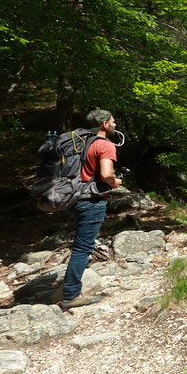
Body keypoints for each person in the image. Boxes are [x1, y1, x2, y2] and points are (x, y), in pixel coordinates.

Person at [60, 109, 123, 309]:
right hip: (91, 201)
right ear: (104, 124)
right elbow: (105, 174)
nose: (114, 125)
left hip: (73, 198)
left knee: (79, 245)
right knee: (82, 248)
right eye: (112, 122)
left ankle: (69, 288)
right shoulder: (104, 145)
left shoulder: (79, 142)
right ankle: (70, 295)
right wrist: (115, 183)